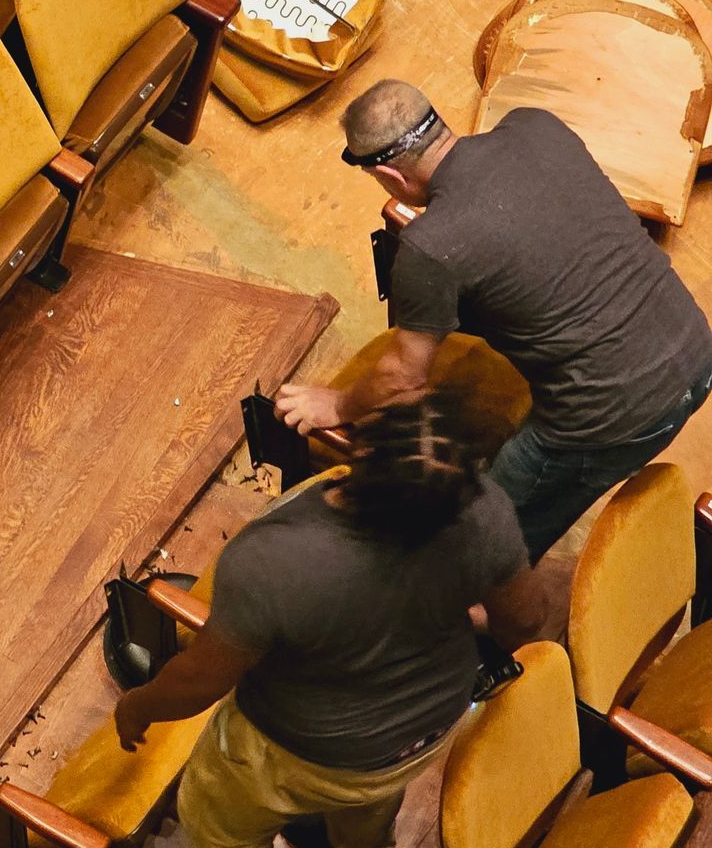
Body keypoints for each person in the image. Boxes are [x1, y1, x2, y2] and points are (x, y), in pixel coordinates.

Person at [106, 399, 546, 848]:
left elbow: (200, 680)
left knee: (223, 827)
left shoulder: (275, 559)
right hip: (424, 732)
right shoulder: (479, 508)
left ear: (359, 455)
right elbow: (526, 622)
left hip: (298, 750)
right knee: (370, 796)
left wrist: (139, 707)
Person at [277, 79, 712, 559]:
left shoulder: (432, 247)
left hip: (614, 415)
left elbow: (401, 379)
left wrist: (337, 406)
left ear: (390, 176)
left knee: (475, 540)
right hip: (695, 348)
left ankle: (491, 614)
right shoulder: (534, 125)